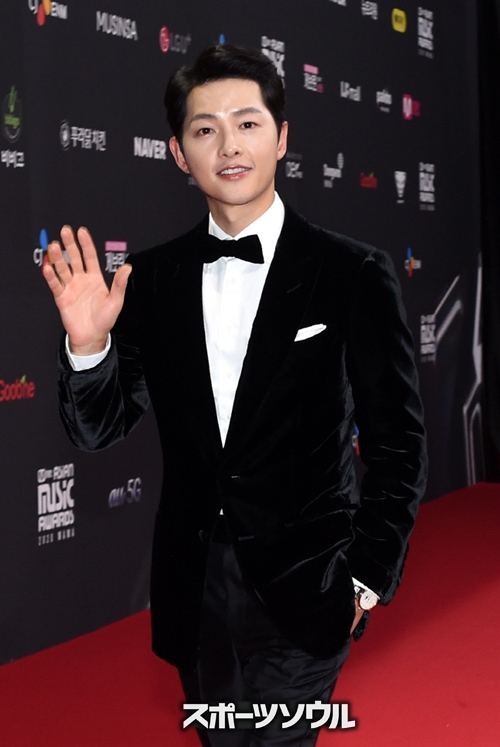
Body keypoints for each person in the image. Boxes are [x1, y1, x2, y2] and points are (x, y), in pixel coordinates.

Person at [43, 44, 427, 747]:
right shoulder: (150, 280)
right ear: (178, 153)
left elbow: (398, 442)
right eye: (205, 129)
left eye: (247, 124)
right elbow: (98, 429)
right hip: (197, 593)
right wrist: (89, 345)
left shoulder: (350, 272)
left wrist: (365, 580)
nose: (228, 146)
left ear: (281, 138)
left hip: (310, 584)